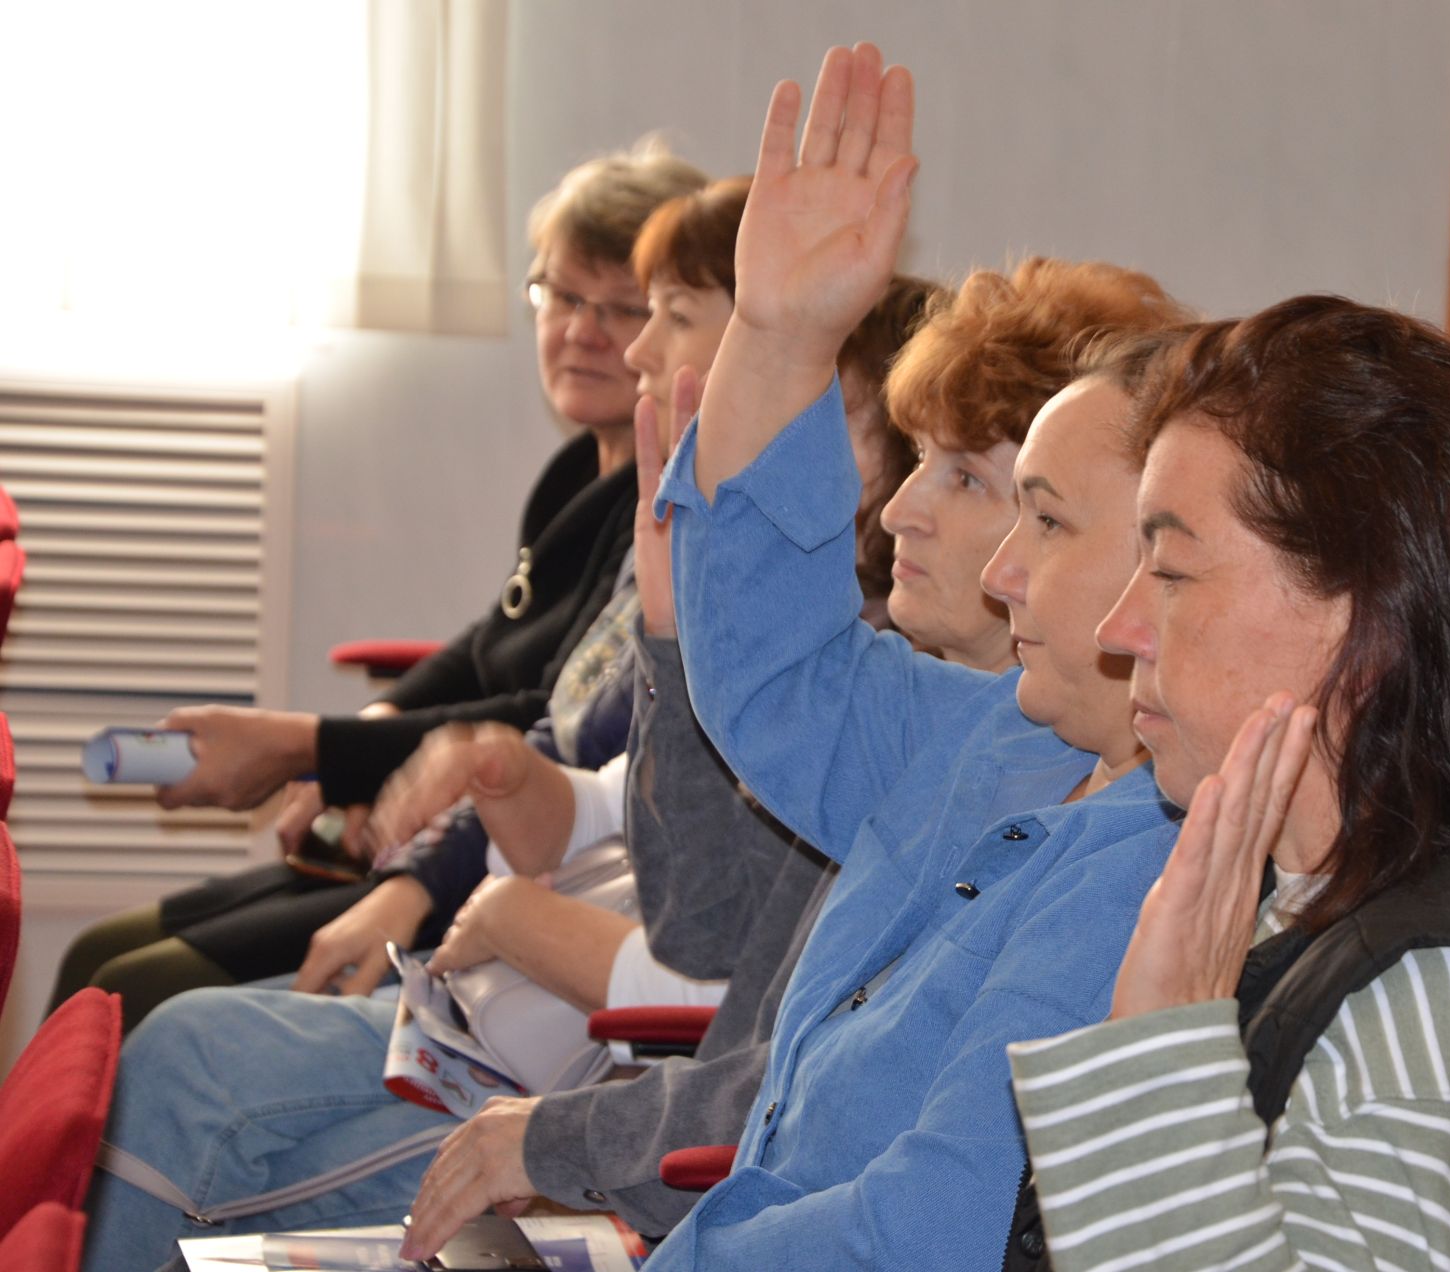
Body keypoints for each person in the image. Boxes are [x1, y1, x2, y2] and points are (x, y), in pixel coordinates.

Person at [407, 42, 1188, 1270]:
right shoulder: (1008, 734)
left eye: (1039, 516)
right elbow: (778, 677)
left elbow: (918, 1229)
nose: (993, 568)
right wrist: (779, 335)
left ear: (1168, 561)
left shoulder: (1146, 867)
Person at [76, 203, 934, 1272]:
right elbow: (600, 789)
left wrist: (504, 907)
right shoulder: (751, 611)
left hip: (599, 1091)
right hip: (523, 1024)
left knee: (181, 1067)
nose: (624, 347)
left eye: (659, 313)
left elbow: (716, 997)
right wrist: (511, 774)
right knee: (168, 1034)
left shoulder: (882, 700)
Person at [1003, 297, 1450, 1269]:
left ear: (1365, 615)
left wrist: (1156, 1064)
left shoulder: (1429, 1024)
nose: (1121, 628)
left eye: (1167, 567)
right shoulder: (1315, 884)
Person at [50, 141, 707, 1027]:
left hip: (501, 860)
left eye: (622, 306)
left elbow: (546, 716)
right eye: (560, 295)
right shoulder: (571, 478)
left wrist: (303, 747)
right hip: (427, 827)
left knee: (132, 988)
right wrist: (372, 732)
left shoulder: (659, 515)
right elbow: (485, 648)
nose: (582, 331)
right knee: (95, 954)